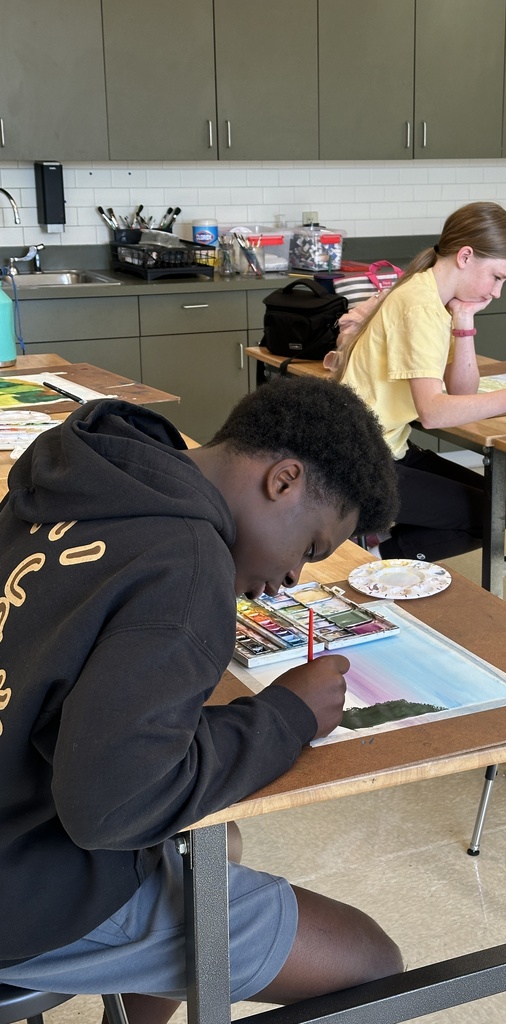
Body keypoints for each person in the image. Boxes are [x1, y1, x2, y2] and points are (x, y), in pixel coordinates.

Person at [0, 376, 403, 1023]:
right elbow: (116, 808)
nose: (295, 576)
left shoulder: (84, 465)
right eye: (311, 546)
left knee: (223, 842)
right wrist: (285, 716)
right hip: (21, 880)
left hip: (18, 808)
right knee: (369, 965)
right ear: (285, 480)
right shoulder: (190, 565)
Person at [338, 201, 506, 563]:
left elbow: (463, 393)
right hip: (360, 460)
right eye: (497, 277)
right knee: (493, 513)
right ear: (465, 256)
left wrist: (463, 321)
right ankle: (376, 556)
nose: (497, 293)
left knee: (496, 504)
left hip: (386, 446)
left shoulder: (435, 299)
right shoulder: (419, 306)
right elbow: (433, 413)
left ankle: (376, 544)